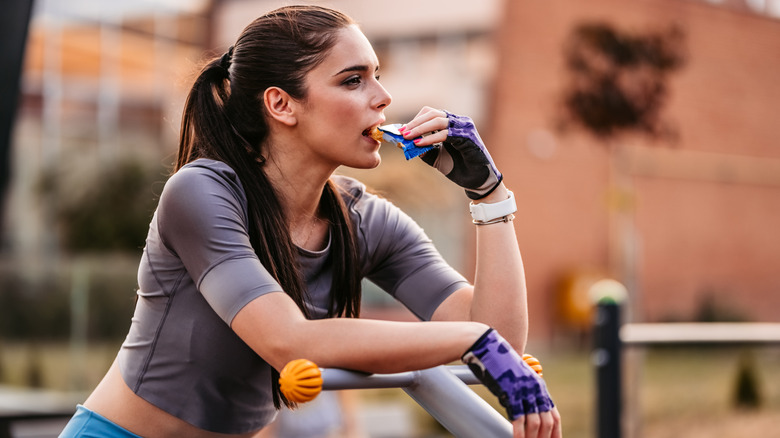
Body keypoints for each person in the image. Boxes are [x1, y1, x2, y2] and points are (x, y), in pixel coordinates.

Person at [59, 5, 561, 438]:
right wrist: (473, 342)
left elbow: (501, 336)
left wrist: (489, 194)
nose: (383, 97)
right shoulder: (202, 192)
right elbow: (289, 340)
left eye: (378, 74)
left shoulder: (365, 219)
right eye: (353, 79)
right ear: (281, 104)